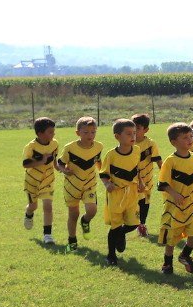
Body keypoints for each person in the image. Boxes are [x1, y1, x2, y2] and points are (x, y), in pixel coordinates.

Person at [157, 123, 193, 275]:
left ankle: (185, 255)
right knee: (172, 237)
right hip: (175, 205)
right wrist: (174, 194)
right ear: (174, 142)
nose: (190, 140)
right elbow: (162, 183)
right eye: (185, 137)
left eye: (191, 136)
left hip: (191, 203)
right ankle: (167, 263)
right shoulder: (170, 161)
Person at [99, 119, 144, 266]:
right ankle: (111, 255)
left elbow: (136, 169)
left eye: (134, 133)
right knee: (115, 226)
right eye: (129, 134)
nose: (133, 137)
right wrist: (107, 184)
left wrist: (141, 182)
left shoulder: (137, 150)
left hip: (132, 193)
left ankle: (121, 235)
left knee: (133, 224)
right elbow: (103, 173)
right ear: (117, 137)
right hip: (116, 195)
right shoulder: (111, 155)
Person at [56, 116, 103, 252]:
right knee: (73, 214)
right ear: (78, 133)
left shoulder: (99, 146)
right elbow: (60, 163)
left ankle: (86, 221)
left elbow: (98, 161)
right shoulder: (70, 148)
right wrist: (65, 170)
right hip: (72, 186)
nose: (90, 135)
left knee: (92, 210)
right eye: (86, 132)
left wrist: (104, 173)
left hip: (89, 184)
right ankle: (72, 241)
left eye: (93, 132)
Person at [22, 117, 59, 245]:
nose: (53, 134)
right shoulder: (31, 146)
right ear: (40, 133)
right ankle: (28, 213)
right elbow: (25, 164)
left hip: (48, 179)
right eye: (50, 132)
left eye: (53, 131)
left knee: (48, 207)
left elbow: (55, 160)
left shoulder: (55, 144)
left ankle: (47, 235)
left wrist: (60, 168)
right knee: (33, 206)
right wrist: (41, 161)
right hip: (32, 181)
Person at [131, 113, 162, 238]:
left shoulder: (150, 144)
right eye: (132, 128)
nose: (134, 131)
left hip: (147, 181)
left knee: (144, 203)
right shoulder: (128, 143)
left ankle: (142, 225)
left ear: (146, 130)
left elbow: (158, 160)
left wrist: (165, 175)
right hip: (132, 180)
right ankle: (132, 223)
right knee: (133, 203)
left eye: (137, 128)